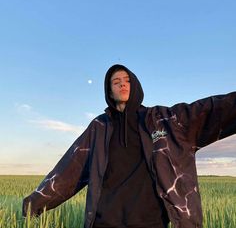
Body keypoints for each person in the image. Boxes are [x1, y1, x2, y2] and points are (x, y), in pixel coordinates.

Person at [23, 64, 236, 228]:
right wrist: (32, 204)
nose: (122, 84)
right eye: (116, 82)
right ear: (109, 91)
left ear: (135, 85)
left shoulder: (163, 120)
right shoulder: (99, 127)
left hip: (150, 223)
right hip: (104, 223)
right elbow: (70, 168)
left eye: (126, 80)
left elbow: (210, 110)